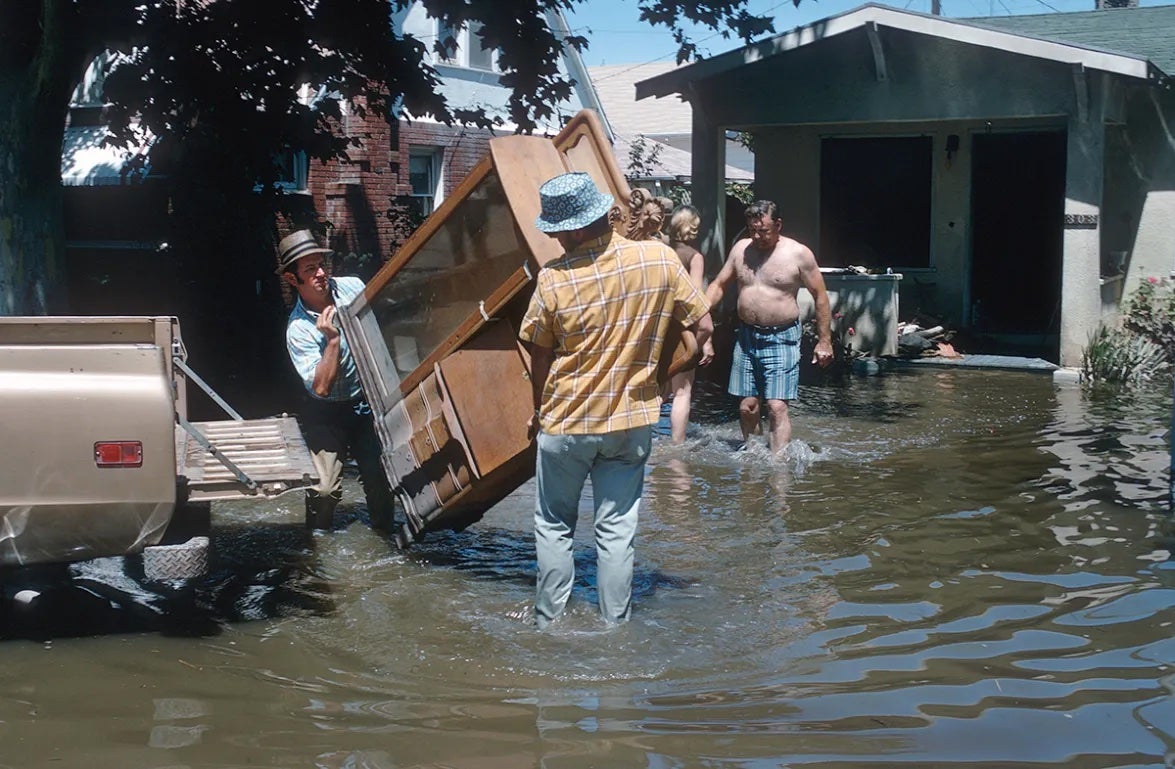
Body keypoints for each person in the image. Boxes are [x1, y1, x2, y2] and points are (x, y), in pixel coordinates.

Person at [518, 172, 711, 629]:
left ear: (576, 228)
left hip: (566, 420)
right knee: (616, 533)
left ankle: (548, 625)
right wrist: (663, 374)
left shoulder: (553, 280)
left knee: (555, 526)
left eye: (559, 231)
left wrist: (539, 411)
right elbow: (702, 327)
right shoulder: (660, 259)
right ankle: (615, 627)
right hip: (630, 421)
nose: (557, 240)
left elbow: (538, 353)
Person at [277, 229, 396, 531]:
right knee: (325, 490)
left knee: (382, 481)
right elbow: (320, 388)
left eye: (321, 265)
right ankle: (318, 546)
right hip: (325, 413)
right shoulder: (299, 330)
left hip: (364, 403)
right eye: (309, 269)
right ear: (293, 279)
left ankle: (387, 541)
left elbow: (385, 317)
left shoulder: (352, 287)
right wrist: (332, 340)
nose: (321, 274)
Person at [706, 200, 833, 453]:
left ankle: (778, 465)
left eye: (763, 230)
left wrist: (824, 341)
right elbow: (719, 285)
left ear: (778, 225)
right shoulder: (741, 250)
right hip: (746, 336)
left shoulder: (798, 254)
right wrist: (699, 318)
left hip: (782, 336)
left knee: (776, 406)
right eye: (752, 230)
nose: (757, 236)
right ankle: (753, 455)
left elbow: (820, 296)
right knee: (747, 407)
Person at [662, 204, 714, 442]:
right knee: (682, 391)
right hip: (680, 330)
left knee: (656, 389)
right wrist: (705, 341)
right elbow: (695, 299)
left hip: (656, 326)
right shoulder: (694, 257)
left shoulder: (659, 251)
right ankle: (677, 444)